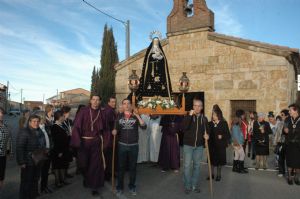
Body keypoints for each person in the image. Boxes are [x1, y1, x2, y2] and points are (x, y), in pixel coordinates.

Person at [71, 95, 106, 196]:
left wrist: (110, 134)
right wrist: (77, 142)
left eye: (97, 100)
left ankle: (94, 187)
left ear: (99, 101)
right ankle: (87, 179)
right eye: (93, 100)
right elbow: (77, 126)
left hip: (96, 142)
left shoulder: (102, 113)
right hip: (84, 142)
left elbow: (106, 128)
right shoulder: (83, 111)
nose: (95, 102)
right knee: (84, 164)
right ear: (90, 101)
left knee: (95, 165)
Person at [113, 99, 146, 196]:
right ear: (122, 106)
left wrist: (137, 116)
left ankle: (132, 186)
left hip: (133, 146)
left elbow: (144, 126)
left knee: (133, 168)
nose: (126, 105)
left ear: (131, 105)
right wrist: (114, 130)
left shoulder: (135, 116)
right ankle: (119, 187)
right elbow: (116, 129)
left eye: (128, 104)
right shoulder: (119, 117)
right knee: (121, 167)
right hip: (122, 145)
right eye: (124, 104)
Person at [182, 98, 209, 194]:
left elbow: (207, 131)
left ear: (202, 107)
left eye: (199, 106)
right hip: (188, 145)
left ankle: (194, 185)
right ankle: (187, 186)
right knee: (187, 166)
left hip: (199, 146)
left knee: (197, 166)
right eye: (195, 106)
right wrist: (189, 116)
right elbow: (183, 128)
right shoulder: (188, 116)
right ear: (193, 107)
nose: (197, 108)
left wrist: (207, 135)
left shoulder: (204, 119)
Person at [16, 114, 47, 199]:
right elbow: (19, 147)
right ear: (29, 122)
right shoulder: (24, 131)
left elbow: (43, 143)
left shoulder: (39, 131)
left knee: (35, 180)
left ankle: (33, 196)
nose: (36, 123)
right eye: (34, 121)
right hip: (28, 162)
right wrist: (21, 162)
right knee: (26, 182)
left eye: (37, 121)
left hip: (38, 160)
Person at [208, 105, 231, 181]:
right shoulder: (210, 123)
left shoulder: (224, 123)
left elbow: (228, 134)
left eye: (214, 114)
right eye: (212, 114)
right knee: (211, 161)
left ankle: (218, 175)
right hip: (212, 146)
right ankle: (211, 174)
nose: (213, 116)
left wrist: (222, 136)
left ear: (218, 115)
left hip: (220, 146)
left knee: (219, 162)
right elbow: (208, 133)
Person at [33, 111, 53, 194]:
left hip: (48, 153)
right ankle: (35, 191)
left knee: (45, 172)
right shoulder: (35, 129)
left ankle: (44, 187)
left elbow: (50, 138)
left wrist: (51, 147)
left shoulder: (46, 126)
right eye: (44, 116)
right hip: (40, 154)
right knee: (37, 174)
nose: (45, 118)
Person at [51, 111, 71, 188]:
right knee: (57, 166)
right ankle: (57, 182)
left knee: (63, 165)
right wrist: (59, 151)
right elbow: (56, 140)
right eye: (63, 116)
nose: (64, 117)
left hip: (64, 149)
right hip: (58, 150)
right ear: (59, 117)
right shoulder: (54, 127)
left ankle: (63, 180)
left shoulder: (61, 125)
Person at [285, 104, 300, 185]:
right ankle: (290, 177)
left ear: (296, 110)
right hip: (289, 144)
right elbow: (285, 128)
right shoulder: (287, 119)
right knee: (290, 161)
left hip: (298, 145)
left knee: (298, 163)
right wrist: (285, 130)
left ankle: (297, 178)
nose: (289, 111)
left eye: (290, 110)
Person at [103, 96, 117, 181]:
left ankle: (110, 173)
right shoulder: (108, 111)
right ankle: (107, 175)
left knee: (111, 157)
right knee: (108, 157)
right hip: (108, 138)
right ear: (108, 103)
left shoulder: (111, 110)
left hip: (111, 137)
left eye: (115, 102)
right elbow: (107, 124)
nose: (114, 103)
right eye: (112, 102)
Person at [274, 109, 289, 177]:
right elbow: (277, 133)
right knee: (280, 158)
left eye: (282, 115)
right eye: (281, 115)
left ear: (286, 115)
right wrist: (276, 141)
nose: (281, 116)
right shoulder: (280, 123)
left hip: (288, 143)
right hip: (280, 142)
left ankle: (291, 172)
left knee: (289, 158)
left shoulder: (289, 123)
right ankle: (281, 171)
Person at [0, 107, 12, 190]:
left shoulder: (6, 126)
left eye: (2, 113)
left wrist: (9, 153)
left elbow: (9, 141)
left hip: (2, 156)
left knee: (1, 177)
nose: (1, 115)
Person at [61, 106, 74, 179]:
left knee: (68, 158)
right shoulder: (62, 121)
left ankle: (66, 172)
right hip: (65, 142)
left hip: (70, 141)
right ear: (65, 112)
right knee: (64, 159)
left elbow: (71, 128)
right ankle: (63, 175)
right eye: (69, 112)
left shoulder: (69, 121)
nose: (70, 113)